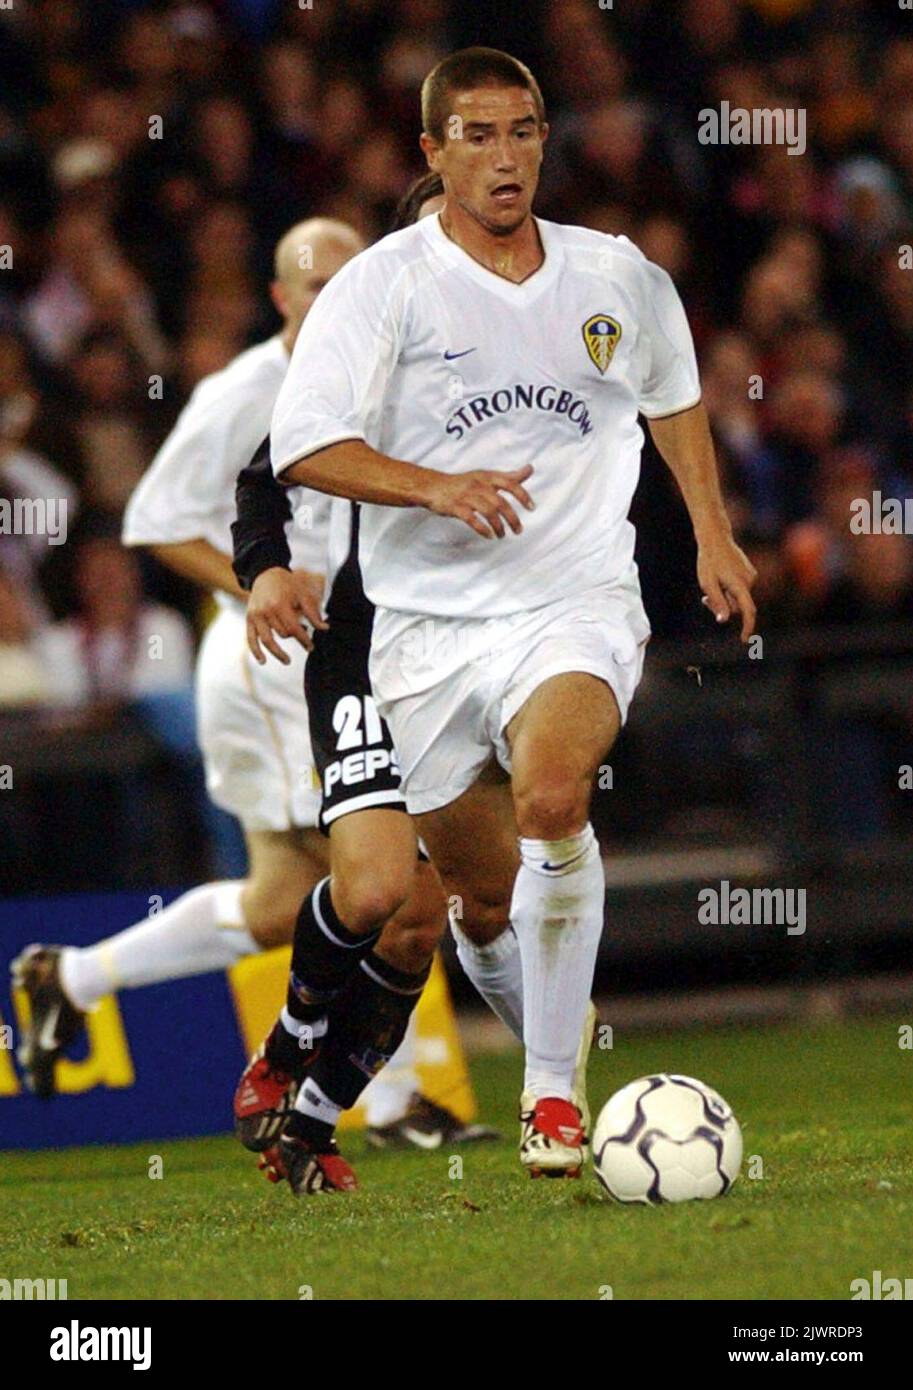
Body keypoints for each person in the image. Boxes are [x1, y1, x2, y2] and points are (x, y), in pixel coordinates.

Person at [263, 48, 757, 1181]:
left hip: (575, 595)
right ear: (431, 154)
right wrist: (432, 484)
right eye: (476, 136)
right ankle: (542, 1033)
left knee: (552, 792)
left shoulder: (614, 275)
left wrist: (712, 530)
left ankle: (549, 1093)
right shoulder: (381, 286)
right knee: (481, 903)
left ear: (546, 141)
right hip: (427, 631)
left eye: (523, 131)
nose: (504, 156)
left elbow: (672, 390)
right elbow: (303, 444)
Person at [232, 175, 505, 1193]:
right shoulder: (374, 346)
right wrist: (262, 568)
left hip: (486, 651)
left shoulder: (548, 343)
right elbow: (269, 471)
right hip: (368, 643)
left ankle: (309, 1122)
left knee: (428, 917)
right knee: (378, 885)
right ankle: (285, 1047)